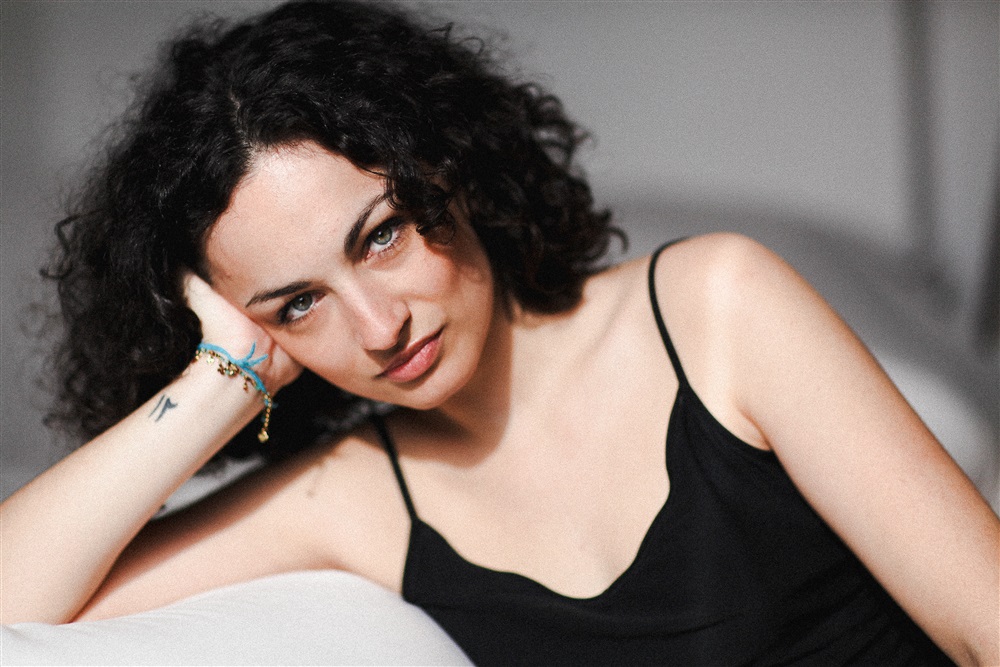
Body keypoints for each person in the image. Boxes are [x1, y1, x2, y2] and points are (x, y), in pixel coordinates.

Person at [1, 1, 996, 664]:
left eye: (381, 236)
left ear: (447, 166)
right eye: (298, 302)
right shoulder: (353, 497)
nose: (378, 326)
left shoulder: (716, 306)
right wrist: (224, 374)